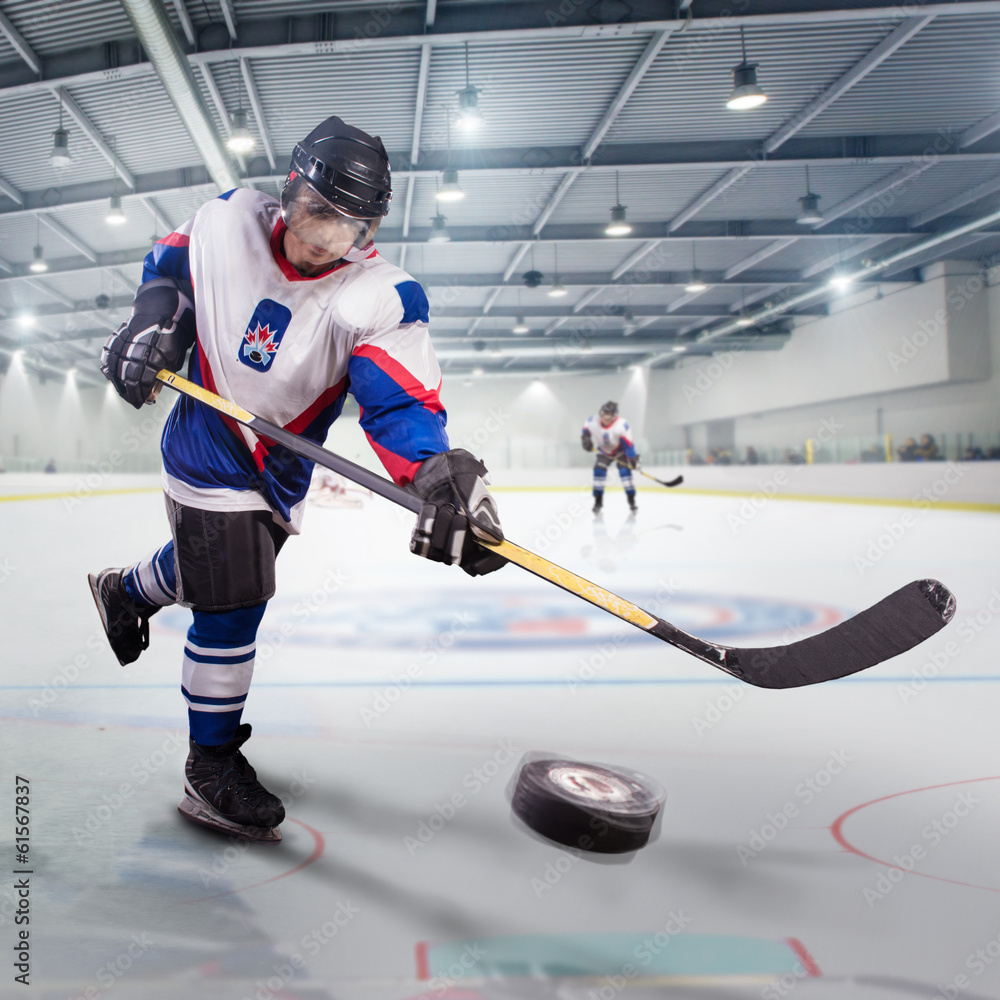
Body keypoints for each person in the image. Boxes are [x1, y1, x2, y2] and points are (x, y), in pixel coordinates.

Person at [89, 116, 506, 845]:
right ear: (289, 191)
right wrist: (159, 319)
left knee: (212, 574)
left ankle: (125, 591)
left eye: (350, 227)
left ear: (371, 230)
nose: (324, 239)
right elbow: (172, 263)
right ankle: (209, 765)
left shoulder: (382, 296)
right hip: (207, 441)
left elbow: (400, 401)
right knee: (235, 600)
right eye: (317, 212)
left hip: (282, 468)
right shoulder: (227, 220)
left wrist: (438, 477)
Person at [581, 401, 638, 514]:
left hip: (620, 451)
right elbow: (585, 432)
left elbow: (628, 445)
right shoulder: (592, 421)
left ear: (614, 416)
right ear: (601, 413)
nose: (606, 419)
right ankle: (598, 501)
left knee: (625, 473)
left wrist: (632, 458)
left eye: (610, 416)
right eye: (604, 415)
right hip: (603, 451)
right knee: (598, 472)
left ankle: (631, 500)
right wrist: (585, 440)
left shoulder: (622, 425)